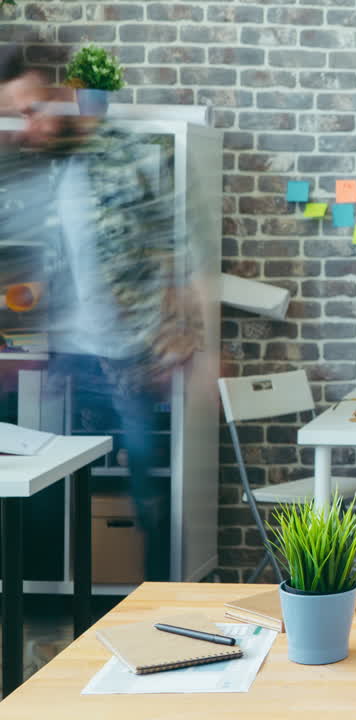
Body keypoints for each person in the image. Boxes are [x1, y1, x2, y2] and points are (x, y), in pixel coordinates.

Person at [0, 45, 203, 581]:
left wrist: (184, 332)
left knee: (144, 499)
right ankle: (66, 612)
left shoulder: (129, 153)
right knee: (50, 495)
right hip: (64, 358)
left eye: (33, 110)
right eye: (16, 117)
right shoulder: (35, 166)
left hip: (129, 357)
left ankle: (156, 604)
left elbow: (177, 250)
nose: (29, 125)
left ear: (63, 98)